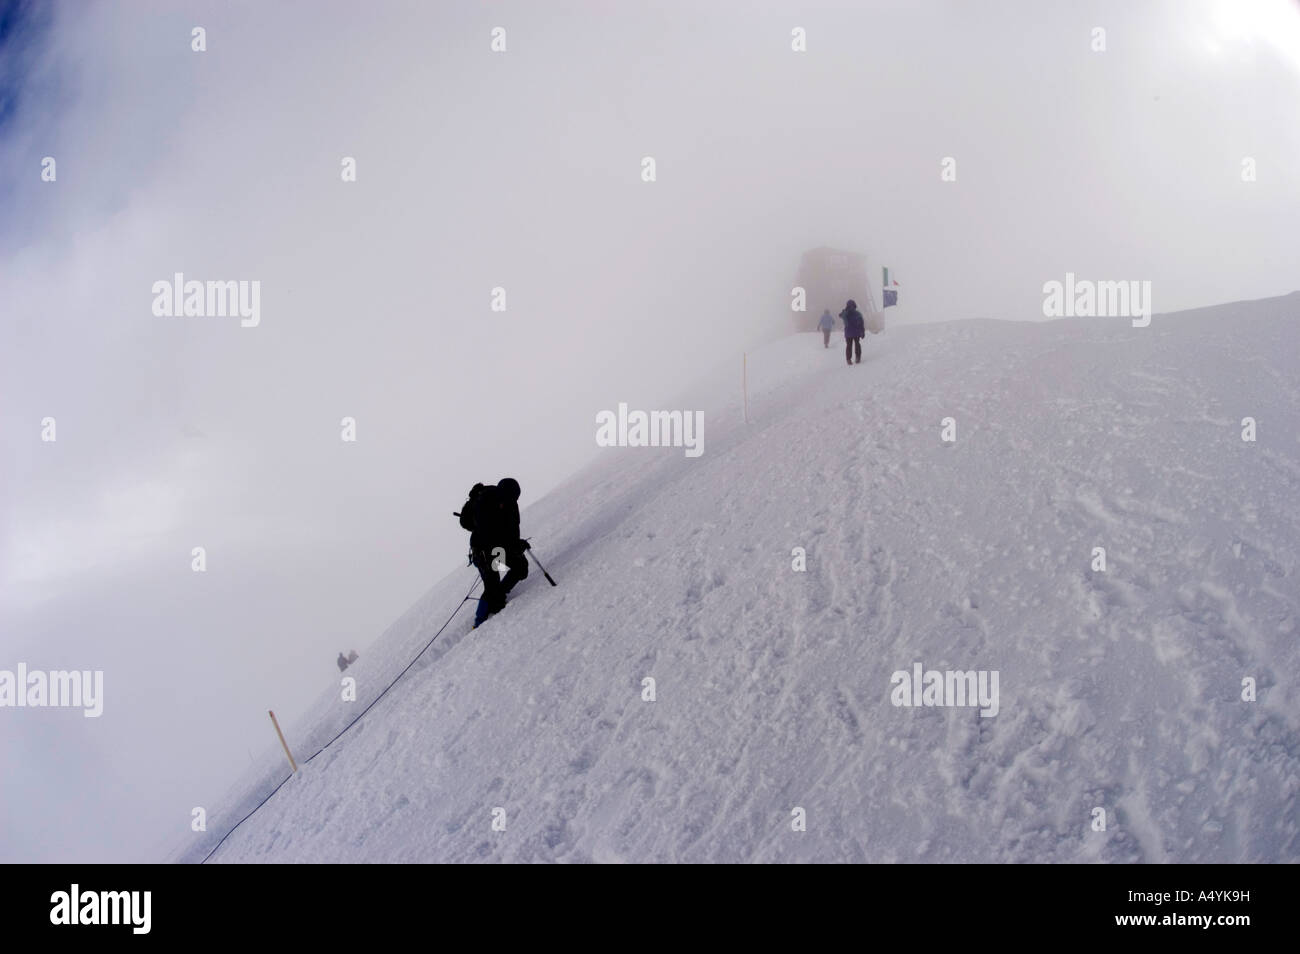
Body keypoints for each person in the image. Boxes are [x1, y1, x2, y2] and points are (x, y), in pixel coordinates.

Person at [459, 477, 530, 627]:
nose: (510, 500)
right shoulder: (486, 503)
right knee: (492, 586)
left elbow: (511, 531)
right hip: (483, 550)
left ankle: (499, 596)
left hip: (496, 549)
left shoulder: (510, 505)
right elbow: (492, 536)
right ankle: (479, 623)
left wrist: (517, 544)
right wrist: (514, 545)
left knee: (520, 567)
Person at [839, 299, 865, 365]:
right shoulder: (857, 313)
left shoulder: (846, 313)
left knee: (849, 346)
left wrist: (844, 311)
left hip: (849, 333)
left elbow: (840, 315)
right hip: (856, 332)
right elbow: (861, 323)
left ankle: (849, 359)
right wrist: (862, 331)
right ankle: (857, 357)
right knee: (856, 344)